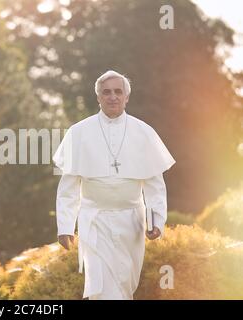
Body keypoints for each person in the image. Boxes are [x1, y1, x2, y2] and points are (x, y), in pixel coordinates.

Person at [53, 70, 175, 300]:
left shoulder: (143, 132)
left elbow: (154, 185)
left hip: (132, 222)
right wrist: (65, 226)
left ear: (126, 97)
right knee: (102, 285)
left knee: (125, 282)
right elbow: (68, 187)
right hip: (94, 220)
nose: (112, 97)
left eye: (118, 92)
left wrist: (156, 220)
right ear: (98, 97)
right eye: (106, 92)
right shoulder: (78, 132)